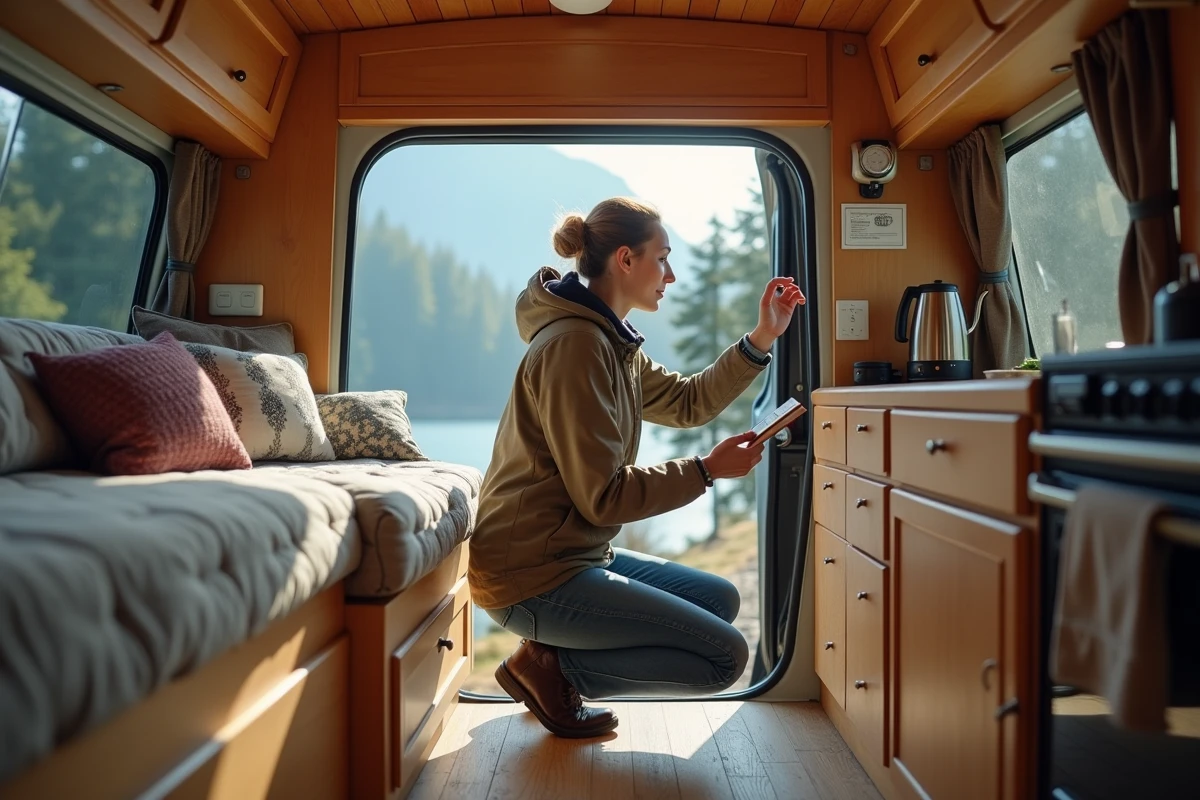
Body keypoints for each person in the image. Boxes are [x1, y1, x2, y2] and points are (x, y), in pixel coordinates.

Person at [468, 197, 805, 739]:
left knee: (721, 600)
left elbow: (688, 402)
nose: (670, 275)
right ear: (626, 260)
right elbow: (603, 497)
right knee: (725, 657)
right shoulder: (575, 347)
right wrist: (707, 471)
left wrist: (763, 337)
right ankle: (549, 669)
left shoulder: (609, 340)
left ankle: (553, 656)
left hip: (572, 552)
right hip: (529, 573)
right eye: (663, 259)